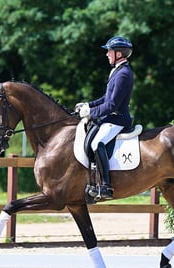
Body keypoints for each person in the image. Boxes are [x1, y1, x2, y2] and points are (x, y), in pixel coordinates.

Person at [75, 36, 134, 199]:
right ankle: (92, 181)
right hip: (110, 118)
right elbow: (105, 98)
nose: (107, 54)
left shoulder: (124, 74)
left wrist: (91, 113)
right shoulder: (116, 71)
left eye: (110, 51)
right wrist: (88, 105)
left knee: (97, 143)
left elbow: (112, 105)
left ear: (119, 54)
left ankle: (106, 186)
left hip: (118, 119)